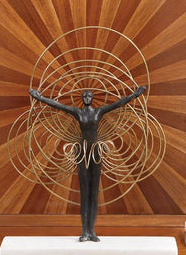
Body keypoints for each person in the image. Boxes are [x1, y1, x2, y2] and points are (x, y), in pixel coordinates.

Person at [29, 86, 146, 241]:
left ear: (92, 98)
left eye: (89, 96)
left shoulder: (99, 112)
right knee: (84, 193)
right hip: (82, 153)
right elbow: (58, 105)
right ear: (82, 99)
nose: (87, 98)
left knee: (94, 193)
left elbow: (118, 104)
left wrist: (134, 95)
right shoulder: (78, 112)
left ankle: (92, 231)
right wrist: (40, 98)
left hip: (96, 153)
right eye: (84, 96)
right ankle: (85, 231)